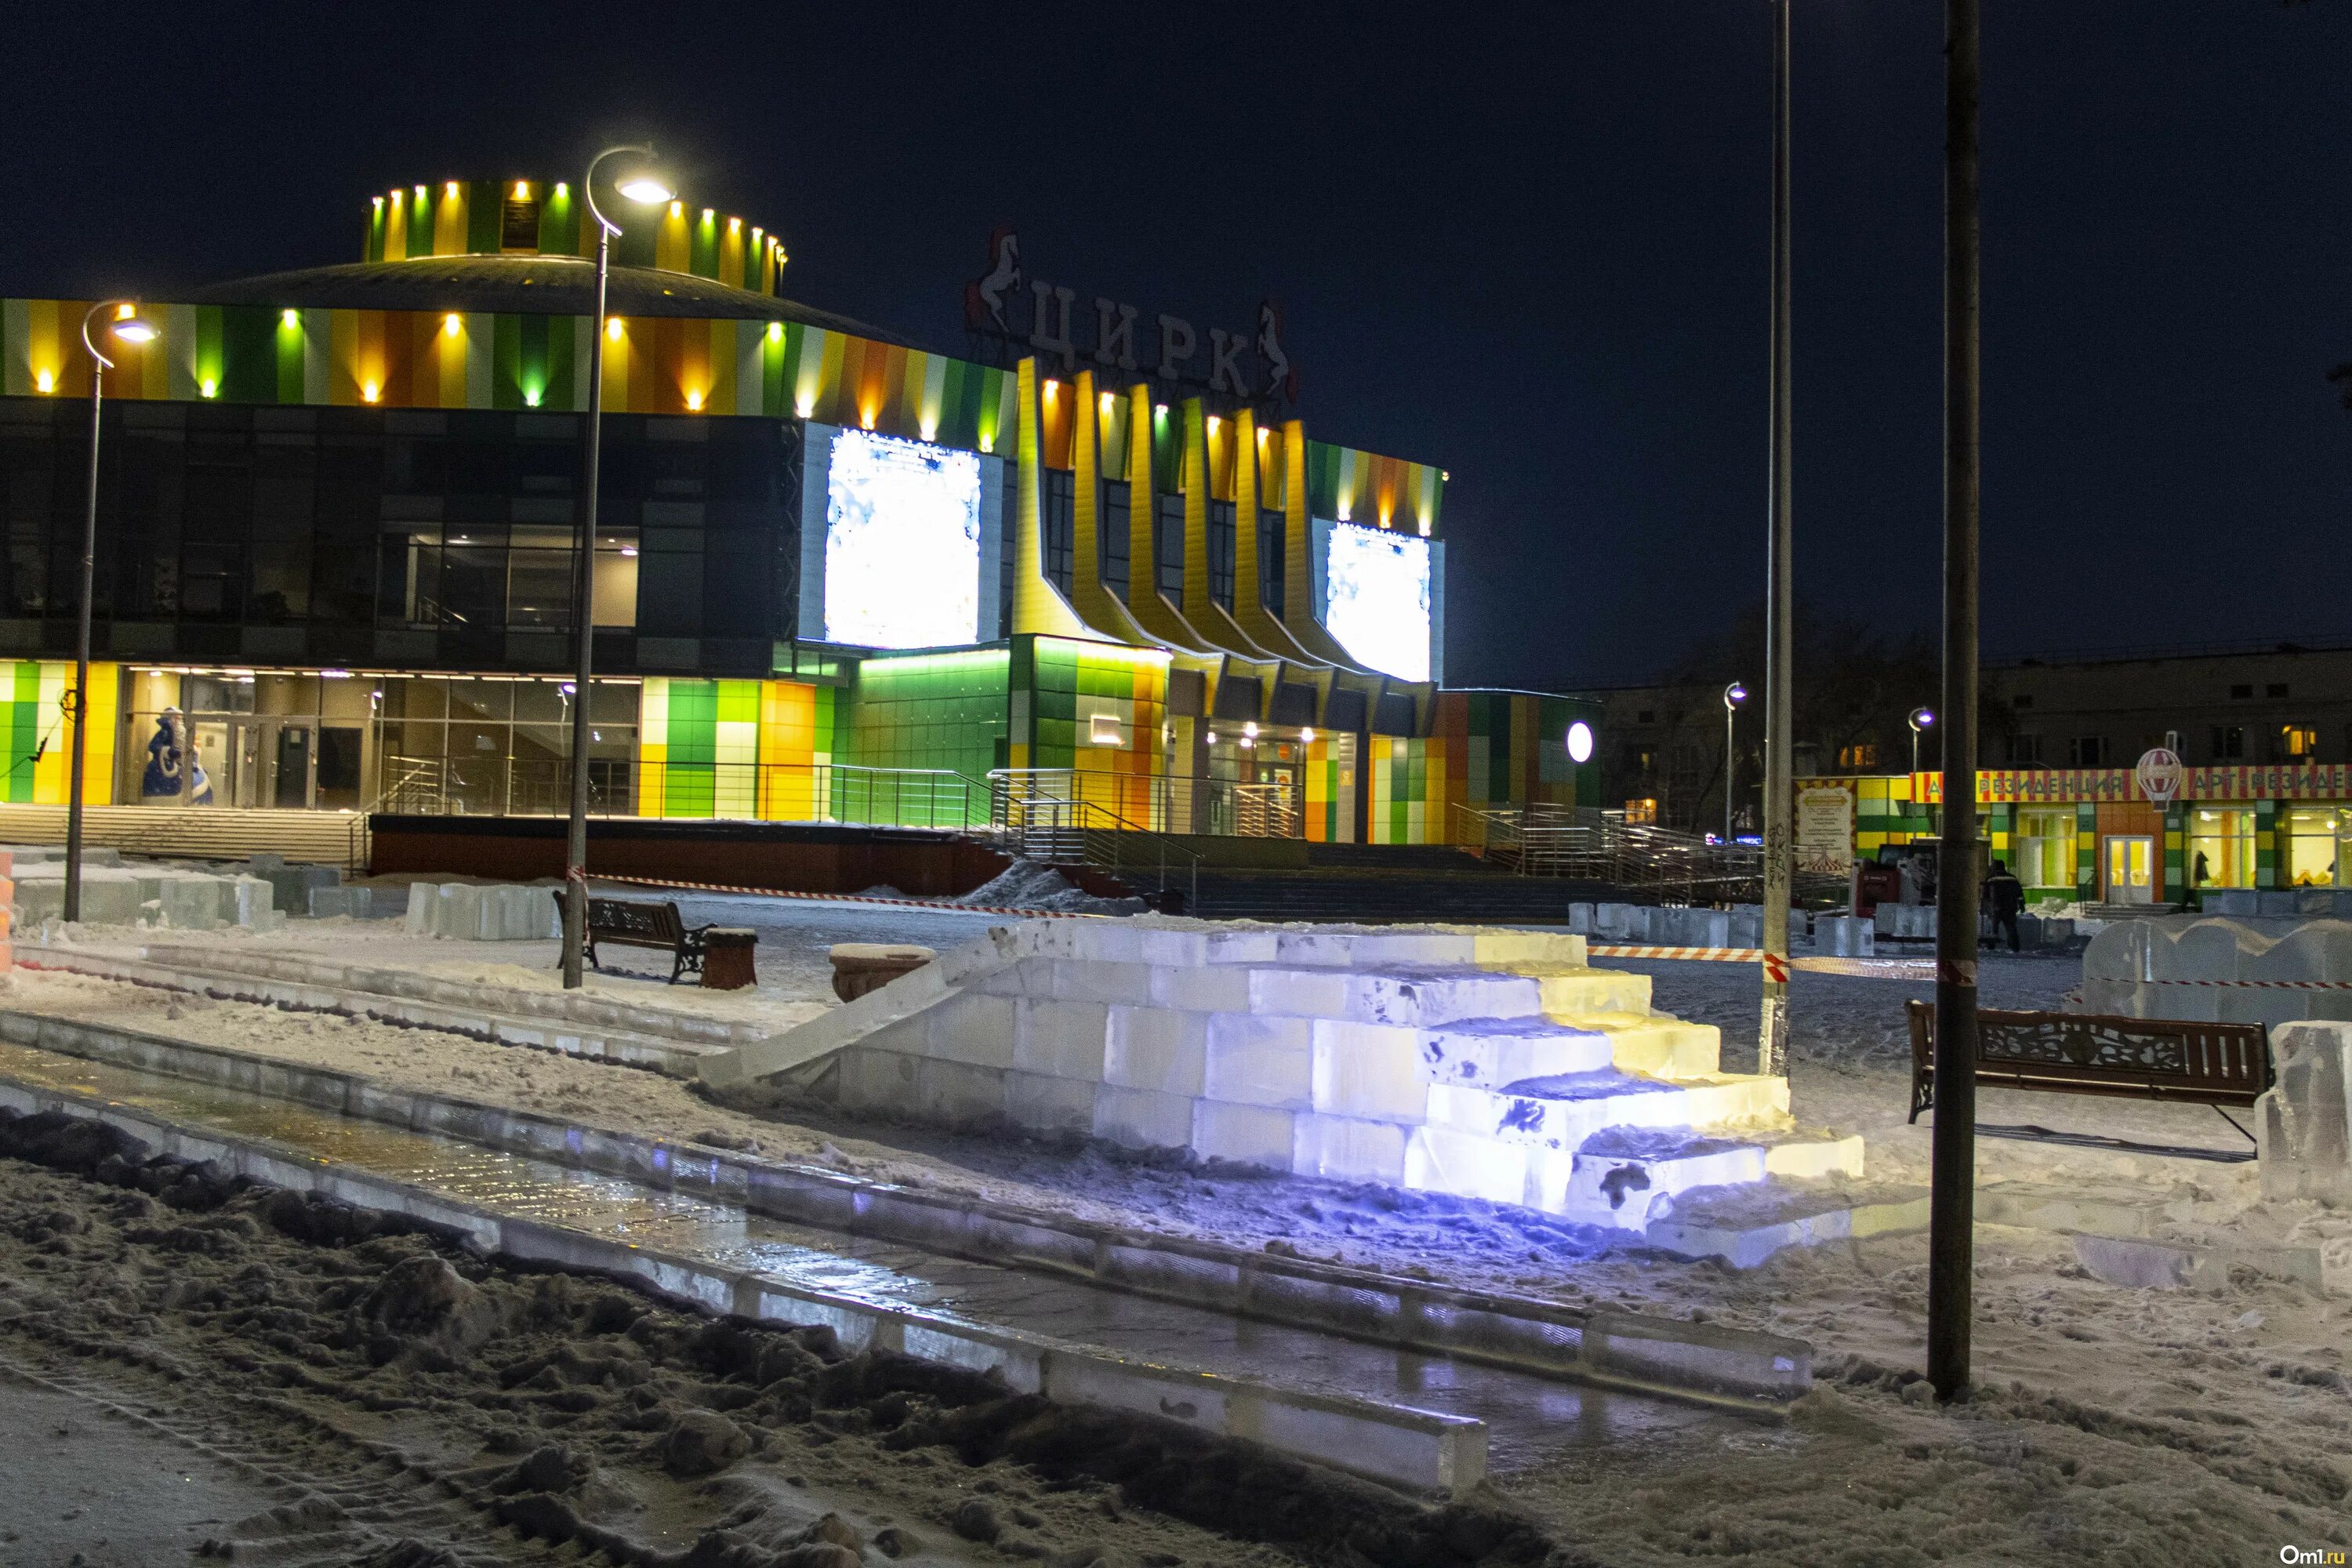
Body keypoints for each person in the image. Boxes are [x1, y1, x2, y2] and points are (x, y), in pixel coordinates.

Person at [1982, 858, 2024, 952]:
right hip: (2010, 907)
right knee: (2011, 927)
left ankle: (1990, 947)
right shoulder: (2012, 878)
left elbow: (1985, 895)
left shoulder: (1990, 879)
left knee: (1993, 928)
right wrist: (2021, 904)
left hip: (1996, 908)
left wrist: (1985, 907)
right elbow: (2019, 893)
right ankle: (2014, 947)